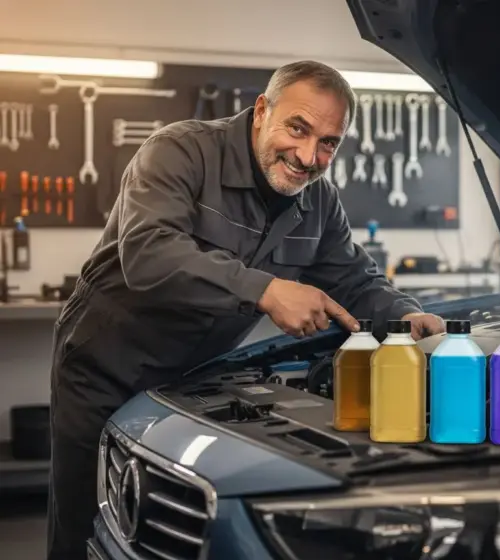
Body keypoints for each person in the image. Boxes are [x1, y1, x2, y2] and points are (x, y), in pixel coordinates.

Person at [47, 60, 445, 559]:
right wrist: (267, 290)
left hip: (191, 382)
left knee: (173, 528)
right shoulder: (180, 151)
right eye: (297, 129)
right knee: (89, 523)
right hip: (106, 367)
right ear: (261, 111)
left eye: (328, 143)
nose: (308, 156)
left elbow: (355, 279)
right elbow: (149, 252)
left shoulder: (319, 201)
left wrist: (405, 315)